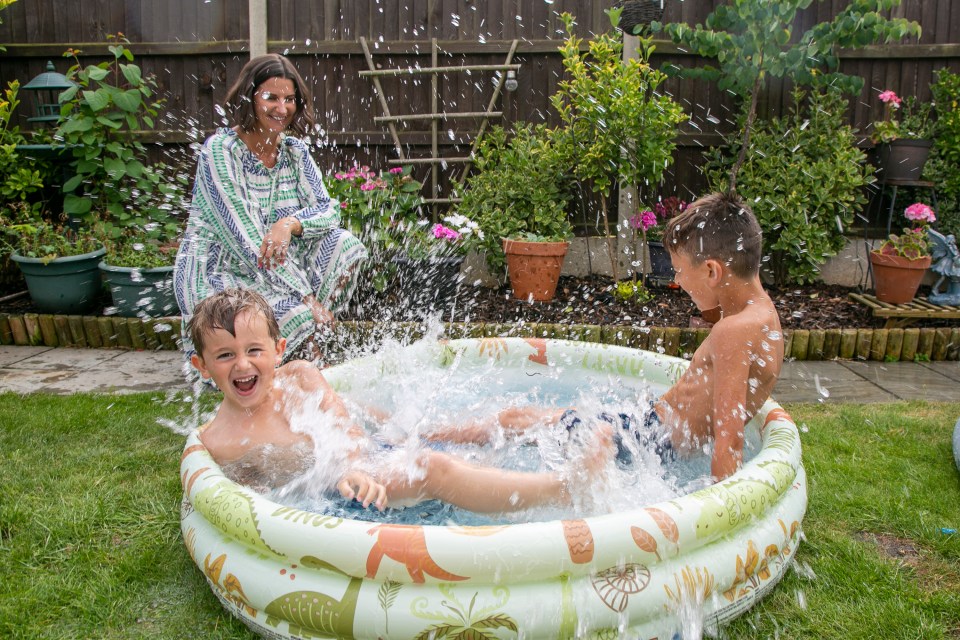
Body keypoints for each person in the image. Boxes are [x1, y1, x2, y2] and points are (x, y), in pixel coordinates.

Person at [188, 288, 606, 513]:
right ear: (202, 366)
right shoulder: (218, 443)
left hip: (361, 462)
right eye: (225, 355)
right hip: (347, 492)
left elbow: (342, 427)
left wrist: (350, 465)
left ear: (278, 349)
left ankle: (577, 419)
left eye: (254, 350)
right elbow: (251, 509)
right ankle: (564, 488)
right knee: (433, 467)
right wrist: (345, 479)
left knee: (477, 428)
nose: (243, 364)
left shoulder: (298, 378)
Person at [174, 54, 366, 364]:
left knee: (345, 245)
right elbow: (246, 239)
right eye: (271, 97)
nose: (282, 108)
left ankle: (309, 350)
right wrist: (307, 298)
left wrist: (289, 224)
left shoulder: (294, 152)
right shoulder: (221, 152)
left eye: (290, 99)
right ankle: (297, 354)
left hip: (274, 269)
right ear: (250, 98)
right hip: (220, 270)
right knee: (299, 316)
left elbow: (329, 211)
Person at [657, 191, 783, 480]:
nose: (677, 280)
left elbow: (729, 443)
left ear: (712, 271)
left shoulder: (733, 330)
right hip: (650, 433)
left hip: (650, 441)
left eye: (678, 271)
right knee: (546, 424)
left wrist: (722, 518)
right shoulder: (764, 313)